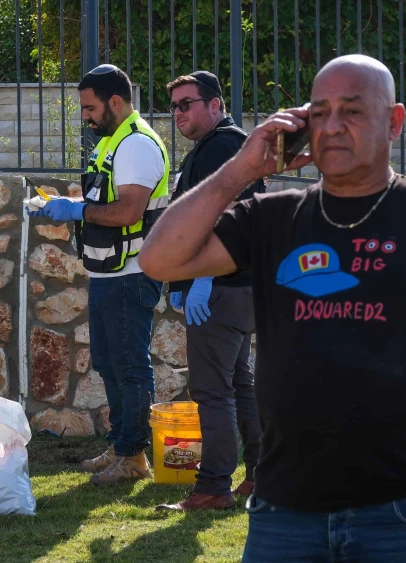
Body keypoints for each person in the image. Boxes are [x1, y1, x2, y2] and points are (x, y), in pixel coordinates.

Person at [139, 54, 406, 561]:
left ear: (394, 121)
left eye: (352, 111)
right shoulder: (272, 219)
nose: (332, 127)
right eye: (319, 112)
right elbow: (158, 258)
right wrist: (241, 168)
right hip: (283, 514)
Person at [27, 64, 170, 485]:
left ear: (115, 101)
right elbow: (103, 199)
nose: (85, 116)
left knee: (129, 367)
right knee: (110, 364)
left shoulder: (137, 145)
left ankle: (132, 457)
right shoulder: (113, 142)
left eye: (89, 107)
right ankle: (123, 444)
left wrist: (76, 211)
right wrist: (66, 203)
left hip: (131, 273)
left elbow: (128, 210)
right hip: (110, 273)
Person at [156, 71, 265, 512]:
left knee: (212, 390)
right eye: (175, 106)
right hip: (237, 287)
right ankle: (260, 474)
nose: (179, 112)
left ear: (215, 104)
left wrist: (200, 278)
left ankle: (213, 487)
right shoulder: (218, 145)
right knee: (239, 383)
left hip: (221, 288)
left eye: (188, 103)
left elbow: (224, 211)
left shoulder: (222, 144)